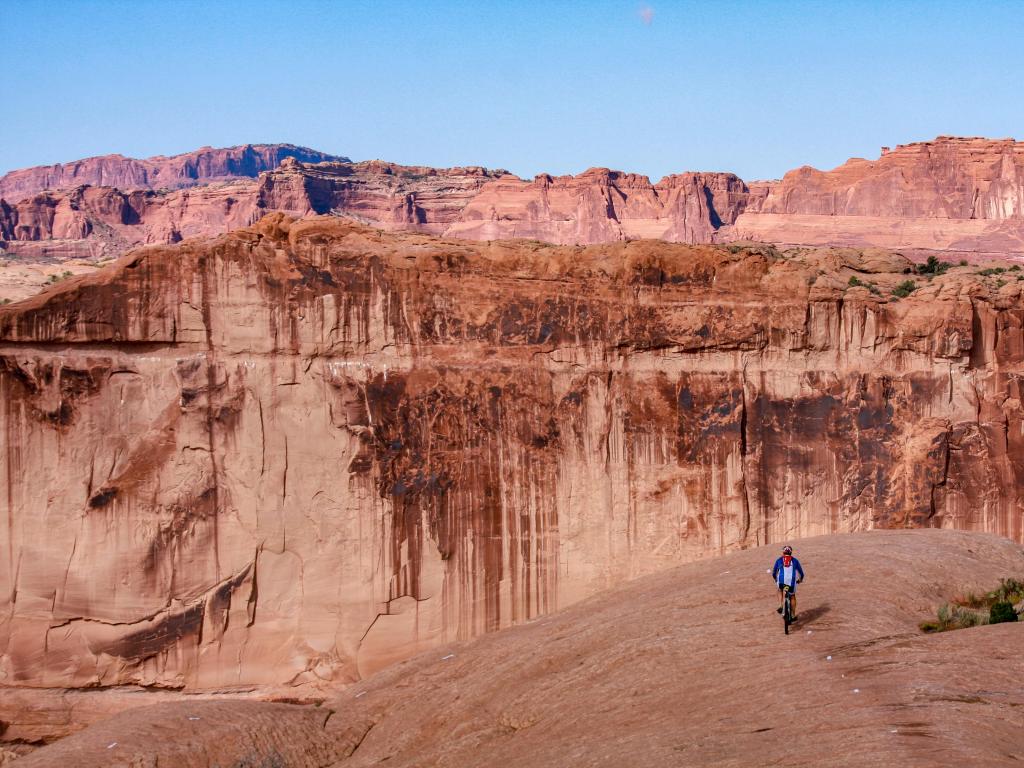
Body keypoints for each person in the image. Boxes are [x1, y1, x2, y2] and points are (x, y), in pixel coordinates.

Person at [772, 545, 804, 620]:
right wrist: (800, 580)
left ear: (783, 552)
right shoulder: (795, 561)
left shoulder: (779, 560)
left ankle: (780, 605)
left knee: (780, 590)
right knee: (792, 596)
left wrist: (775, 579)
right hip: (791, 583)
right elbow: (801, 573)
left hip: (782, 582)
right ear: (791, 552)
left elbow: (774, 572)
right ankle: (793, 614)